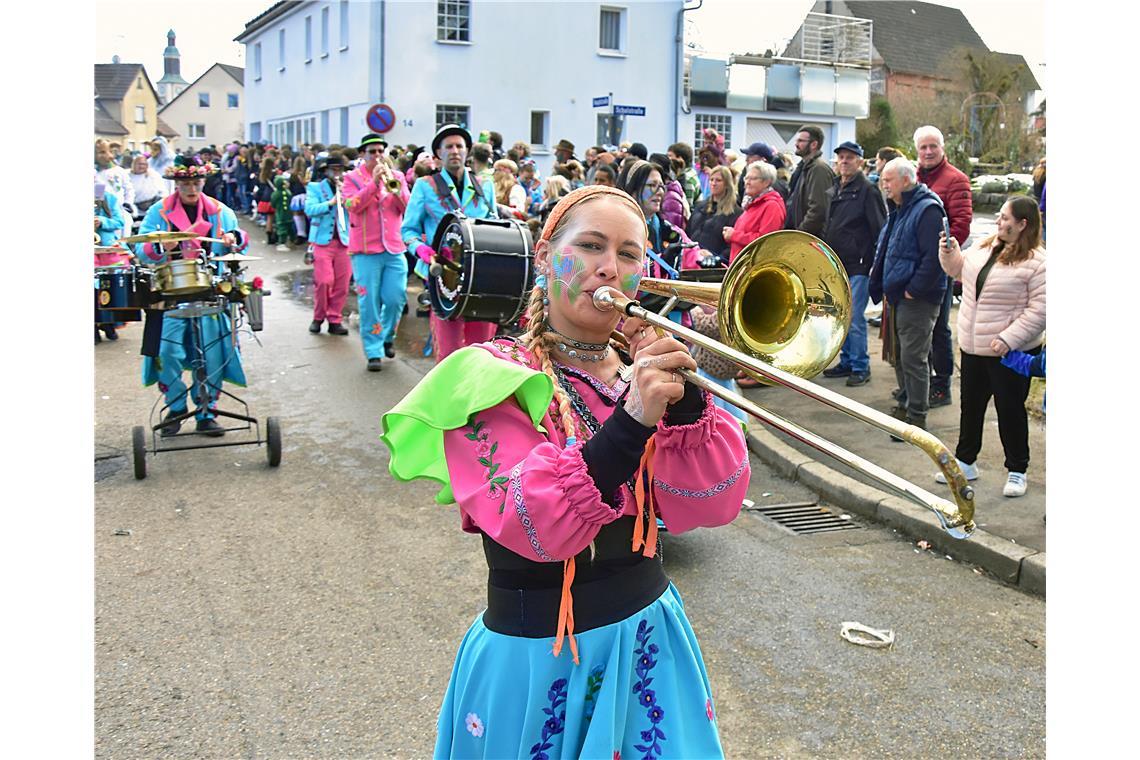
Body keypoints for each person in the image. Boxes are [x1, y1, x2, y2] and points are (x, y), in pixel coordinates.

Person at [380, 184, 750, 758]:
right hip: (539, 658)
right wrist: (630, 422)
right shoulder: (490, 373)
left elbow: (710, 504)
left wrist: (687, 406)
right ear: (547, 253)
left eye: (629, 255)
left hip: (649, 641)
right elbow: (535, 526)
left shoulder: (639, 368)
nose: (609, 268)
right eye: (592, 246)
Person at [935, 196, 1045, 497]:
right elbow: (958, 271)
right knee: (970, 406)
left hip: (1009, 352)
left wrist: (1009, 339)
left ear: (1023, 224)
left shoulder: (1038, 262)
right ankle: (966, 461)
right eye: (999, 216)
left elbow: (1040, 311)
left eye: (1006, 218)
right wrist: (950, 252)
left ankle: (1017, 469)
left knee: (1010, 409)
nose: (999, 222)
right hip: (974, 346)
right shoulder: (986, 246)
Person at [132, 156, 248, 436]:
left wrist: (234, 237)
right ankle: (176, 407)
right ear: (176, 184)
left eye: (196, 183)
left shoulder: (220, 211)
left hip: (209, 292)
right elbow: (139, 249)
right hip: (169, 295)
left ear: (203, 182)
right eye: (185, 184)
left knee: (210, 353)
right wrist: (161, 246)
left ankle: (206, 411)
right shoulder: (159, 212)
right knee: (167, 352)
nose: (192, 189)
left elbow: (239, 241)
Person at [401, 124, 499, 362]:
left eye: (459, 146)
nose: (455, 151)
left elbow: (496, 226)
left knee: (482, 351)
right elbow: (408, 230)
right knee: (448, 353)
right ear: (438, 153)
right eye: (449, 147)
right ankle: (449, 398)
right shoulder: (425, 186)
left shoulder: (484, 185)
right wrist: (422, 250)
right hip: (443, 275)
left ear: (467, 152)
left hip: (480, 276)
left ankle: (477, 399)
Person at [868, 157, 947, 435]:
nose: (884, 185)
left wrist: (913, 289)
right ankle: (906, 404)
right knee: (900, 356)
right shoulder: (900, 208)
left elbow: (933, 260)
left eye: (888, 180)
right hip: (899, 295)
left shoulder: (926, 209)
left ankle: (917, 419)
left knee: (914, 358)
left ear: (906, 180)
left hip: (917, 298)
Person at [820, 141, 887, 387]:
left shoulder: (867, 190)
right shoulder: (836, 187)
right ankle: (847, 360)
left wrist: (872, 263)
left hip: (859, 264)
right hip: (837, 264)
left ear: (860, 161)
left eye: (850, 157)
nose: (844, 161)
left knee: (855, 318)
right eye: (841, 158)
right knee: (840, 316)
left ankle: (861, 365)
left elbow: (880, 228)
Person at [342, 133, 411, 370]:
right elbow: (352, 206)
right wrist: (372, 184)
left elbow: (407, 209)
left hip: (393, 247)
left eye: (381, 151)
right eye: (372, 152)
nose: (378, 155)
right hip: (365, 250)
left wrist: (397, 191)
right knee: (368, 302)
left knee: (396, 297)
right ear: (363, 154)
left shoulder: (398, 177)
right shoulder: (351, 178)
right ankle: (373, 350)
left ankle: (387, 336)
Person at [915, 125, 972, 409]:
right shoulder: (912, 177)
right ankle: (919, 383)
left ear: (942, 148)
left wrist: (943, 255)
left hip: (940, 267)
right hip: (913, 266)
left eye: (932, 146)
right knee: (917, 329)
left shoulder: (956, 180)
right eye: (923, 147)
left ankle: (942, 385)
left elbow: (960, 226)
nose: (928, 152)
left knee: (939, 328)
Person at [620, 159, 705, 325]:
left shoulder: (670, 230)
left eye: (661, 186)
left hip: (670, 319)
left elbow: (690, 252)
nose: (659, 192)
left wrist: (703, 262)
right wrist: (661, 262)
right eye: (652, 185)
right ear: (633, 189)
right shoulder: (618, 230)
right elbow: (623, 277)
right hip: (630, 323)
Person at [304, 155, 353, 336]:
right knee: (324, 281)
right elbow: (309, 210)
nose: (337, 173)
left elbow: (356, 209)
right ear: (326, 171)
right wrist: (331, 202)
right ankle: (318, 317)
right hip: (322, 241)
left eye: (340, 169)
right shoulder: (315, 188)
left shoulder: (349, 187)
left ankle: (335, 319)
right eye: (334, 169)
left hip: (345, 241)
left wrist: (346, 195)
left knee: (342, 284)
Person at [723, 161, 785, 263]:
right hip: (742, 267)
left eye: (753, 179)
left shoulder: (771, 206)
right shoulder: (752, 204)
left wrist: (734, 235)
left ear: (767, 182)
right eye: (746, 178)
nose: (747, 182)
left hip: (754, 268)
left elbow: (765, 241)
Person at [686, 164, 741, 265]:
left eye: (718, 180)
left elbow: (733, 246)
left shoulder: (735, 212)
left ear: (727, 184)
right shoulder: (700, 206)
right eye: (711, 179)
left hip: (715, 266)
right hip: (691, 259)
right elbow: (688, 233)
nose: (713, 183)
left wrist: (715, 257)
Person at [785, 125, 834, 237]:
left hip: (809, 240)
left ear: (814, 144)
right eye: (797, 140)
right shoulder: (804, 168)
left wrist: (801, 234)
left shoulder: (818, 169)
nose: (796, 144)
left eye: (801, 141)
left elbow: (818, 209)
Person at [667, 142, 701, 208]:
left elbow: (687, 206)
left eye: (670, 156)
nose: (668, 159)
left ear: (680, 159)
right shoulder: (691, 172)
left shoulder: (687, 179)